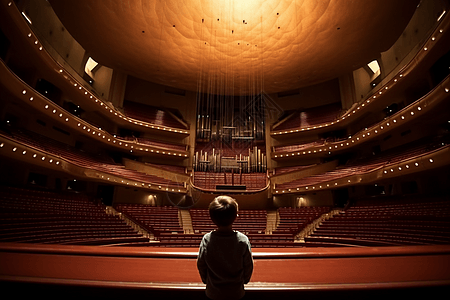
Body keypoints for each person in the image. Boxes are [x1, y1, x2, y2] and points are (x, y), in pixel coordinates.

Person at [197, 195, 254, 300]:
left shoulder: (207, 239)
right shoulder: (243, 240)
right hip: (236, 293)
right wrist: (244, 281)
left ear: (212, 217)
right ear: (235, 216)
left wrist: (207, 281)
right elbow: (248, 266)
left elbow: (201, 264)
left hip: (213, 293)